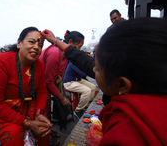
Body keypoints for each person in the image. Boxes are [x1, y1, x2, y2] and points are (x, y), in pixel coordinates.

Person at [42, 17, 167, 145]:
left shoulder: (122, 135)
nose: (93, 69)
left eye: (97, 68)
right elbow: (83, 60)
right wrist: (55, 41)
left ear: (122, 85)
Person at [0, 27, 52, 146]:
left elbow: (42, 92)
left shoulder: (40, 65)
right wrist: (27, 122)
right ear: (18, 43)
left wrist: (39, 113)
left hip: (26, 106)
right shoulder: (1, 61)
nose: (37, 47)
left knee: (43, 127)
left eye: (40, 45)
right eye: (32, 42)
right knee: (14, 133)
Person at [39, 30, 84, 143]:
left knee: (48, 109)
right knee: (42, 111)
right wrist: (63, 99)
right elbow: (48, 81)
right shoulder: (55, 53)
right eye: (78, 47)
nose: (79, 51)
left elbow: (55, 75)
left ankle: (47, 132)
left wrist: (58, 77)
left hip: (47, 86)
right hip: (40, 86)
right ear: (70, 42)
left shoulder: (65, 56)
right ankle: (44, 137)